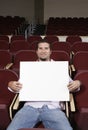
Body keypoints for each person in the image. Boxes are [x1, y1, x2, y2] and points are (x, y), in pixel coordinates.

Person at [7, 40, 81, 130]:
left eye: (46, 48)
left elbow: (72, 86)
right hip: (30, 107)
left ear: (50, 51)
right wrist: (11, 84)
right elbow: (18, 87)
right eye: (40, 48)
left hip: (53, 108)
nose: (43, 51)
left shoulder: (59, 68)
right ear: (37, 51)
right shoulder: (29, 68)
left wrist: (78, 83)